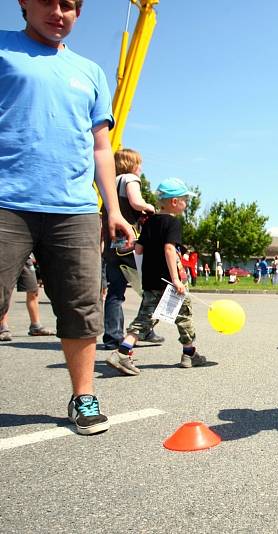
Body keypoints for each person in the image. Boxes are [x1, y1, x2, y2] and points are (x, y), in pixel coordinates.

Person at [0, 0, 136, 435]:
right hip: (7, 201)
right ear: (24, 3)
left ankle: (84, 397)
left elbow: (101, 147)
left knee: (81, 307)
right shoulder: (3, 49)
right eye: (49, 2)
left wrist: (112, 209)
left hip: (74, 209)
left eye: (71, 5)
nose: (60, 12)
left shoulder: (91, 71)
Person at [105, 178, 207, 375]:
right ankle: (189, 354)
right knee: (184, 316)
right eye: (185, 199)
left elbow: (139, 249)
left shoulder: (150, 222)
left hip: (151, 280)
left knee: (145, 319)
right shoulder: (173, 223)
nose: (187, 203)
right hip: (170, 281)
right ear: (174, 202)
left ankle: (123, 352)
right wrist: (176, 279)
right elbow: (169, 249)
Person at [100, 147, 163, 351]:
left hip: (113, 245)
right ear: (131, 164)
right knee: (151, 288)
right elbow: (136, 203)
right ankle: (143, 329)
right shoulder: (129, 179)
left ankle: (112, 336)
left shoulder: (109, 185)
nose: (141, 167)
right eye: (139, 163)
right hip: (130, 243)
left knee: (115, 293)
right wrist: (150, 207)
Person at [0, 256, 56, 341]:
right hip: (8, 254)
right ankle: (2, 327)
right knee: (5, 290)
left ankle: (35, 326)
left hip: (26, 257)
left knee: (33, 290)